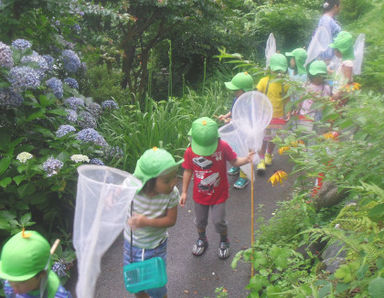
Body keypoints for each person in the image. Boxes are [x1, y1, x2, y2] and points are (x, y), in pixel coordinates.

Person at [180, 117, 254, 259]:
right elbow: (188, 170)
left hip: (219, 193)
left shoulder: (223, 146)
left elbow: (234, 161)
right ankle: (202, 239)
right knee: (200, 220)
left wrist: (246, 159)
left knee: (219, 221)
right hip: (200, 194)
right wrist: (184, 192)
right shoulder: (190, 151)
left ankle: (224, 240)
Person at [124, 147, 182, 298]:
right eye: (167, 180)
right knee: (137, 285)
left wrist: (147, 221)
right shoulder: (131, 185)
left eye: (175, 176)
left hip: (155, 247)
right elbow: (115, 195)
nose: (173, 183)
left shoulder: (172, 194)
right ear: (149, 182)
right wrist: (111, 199)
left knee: (156, 286)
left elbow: (171, 220)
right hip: (131, 246)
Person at [0, 230, 72, 298]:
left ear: (42, 274)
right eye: (9, 279)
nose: (14, 288)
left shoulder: (58, 296)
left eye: (21, 282)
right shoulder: (9, 286)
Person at [218, 72, 254, 189]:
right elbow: (233, 111)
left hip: (246, 134)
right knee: (235, 149)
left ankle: (244, 176)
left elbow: (247, 120)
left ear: (245, 91)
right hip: (236, 132)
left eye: (236, 90)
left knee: (244, 152)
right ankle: (237, 165)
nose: (233, 92)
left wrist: (231, 121)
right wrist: (226, 115)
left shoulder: (250, 103)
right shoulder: (237, 98)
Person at [255, 53, 289, 174]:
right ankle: (261, 159)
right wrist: (258, 110)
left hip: (278, 117)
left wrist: (287, 112)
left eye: (281, 71)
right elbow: (258, 96)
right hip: (265, 117)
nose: (279, 73)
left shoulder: (285, 84)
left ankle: (269, 154)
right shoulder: (264, 81)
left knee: (273, 138)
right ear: (270, 69)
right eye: (276, 70)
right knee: (263, 139)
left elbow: (287, 100)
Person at [297, 60, 332, 134]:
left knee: (316, 139)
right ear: (311, 75)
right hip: (304, 117)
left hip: (318, 119)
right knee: (302, 138)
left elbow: (327, 104)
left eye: (320, 76)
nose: (317, 78)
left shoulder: (325, 87)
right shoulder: (306, 86)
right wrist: (297, 109)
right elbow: (301, 100)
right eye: (315, 76)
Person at [329, 31, 354, 100]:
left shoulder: (347, 63)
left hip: (341, 96)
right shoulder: (343, 61)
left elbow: (348, 81)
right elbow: (340, 76)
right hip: (337, 93)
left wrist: (338, 94)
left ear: (341, 51)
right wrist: (329, 71)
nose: (334, 52)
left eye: (335, 50)